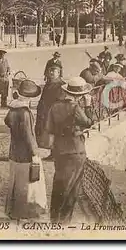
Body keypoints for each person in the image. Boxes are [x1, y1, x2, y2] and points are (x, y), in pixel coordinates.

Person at [45, 77, 94, 224]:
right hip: (76, 151)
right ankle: (64, 221)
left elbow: (50, 129)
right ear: (78, 95)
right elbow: (89, 123)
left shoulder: (54, 107)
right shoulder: (76, 108)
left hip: (60, 150)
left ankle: (54, 218)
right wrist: (89, 106)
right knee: (72, 188)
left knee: (59, 184)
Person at [4, 79, 47, 220]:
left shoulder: (13, 109)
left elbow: (7, 121)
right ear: (30, 97)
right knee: (26, 184)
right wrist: (35, 152)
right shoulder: (25, 113)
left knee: (15, 182)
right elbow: (28, 135)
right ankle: (23, 212)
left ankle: (12, 210)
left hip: (14, 151)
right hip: (25, 153)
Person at [36, 63, 66, 161]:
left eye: (54, 71)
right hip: (46, 112)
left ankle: (57, 154)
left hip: (56, 113)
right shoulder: (48, 84)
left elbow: (61, 100)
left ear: (59, 73)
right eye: (51, 71)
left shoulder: (61, 85)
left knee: (56, 134)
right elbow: (42, 98)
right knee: (50, 134)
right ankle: (53, 154)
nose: (52, 73)